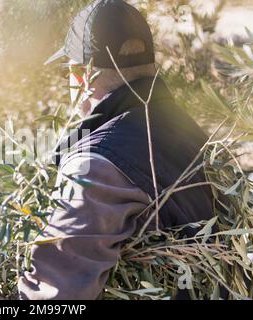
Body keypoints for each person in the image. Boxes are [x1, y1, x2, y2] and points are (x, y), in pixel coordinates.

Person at [18, 0, 215, 300]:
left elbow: (56, 295)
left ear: (82, 77)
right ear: (149, 67)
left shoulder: (96, 167)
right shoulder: (192, 134)